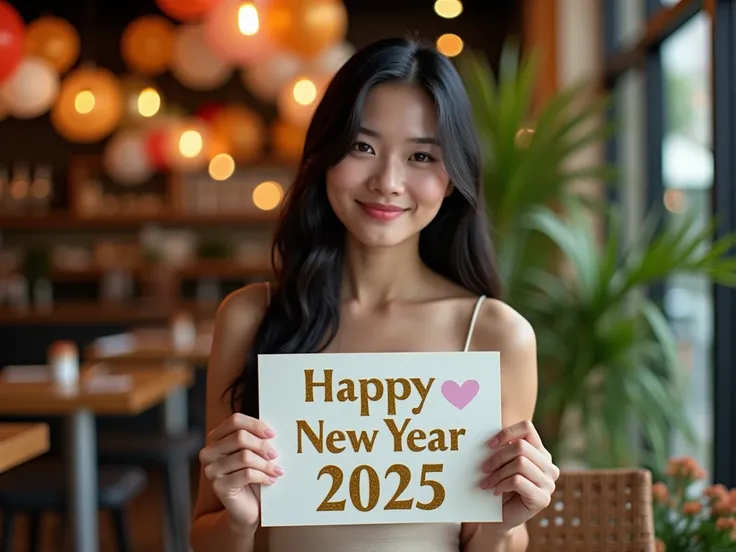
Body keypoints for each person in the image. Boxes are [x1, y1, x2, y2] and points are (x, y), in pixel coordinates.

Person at [191, 37, 559, 552]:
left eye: (421, 156)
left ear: (451, 179)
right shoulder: (250, 316)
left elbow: (486, 541)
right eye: (362, 146)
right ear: (325, 156)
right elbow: (205, 535)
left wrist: (503, 524)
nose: (388, 181)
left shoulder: (497, 334)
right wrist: (239, 519)